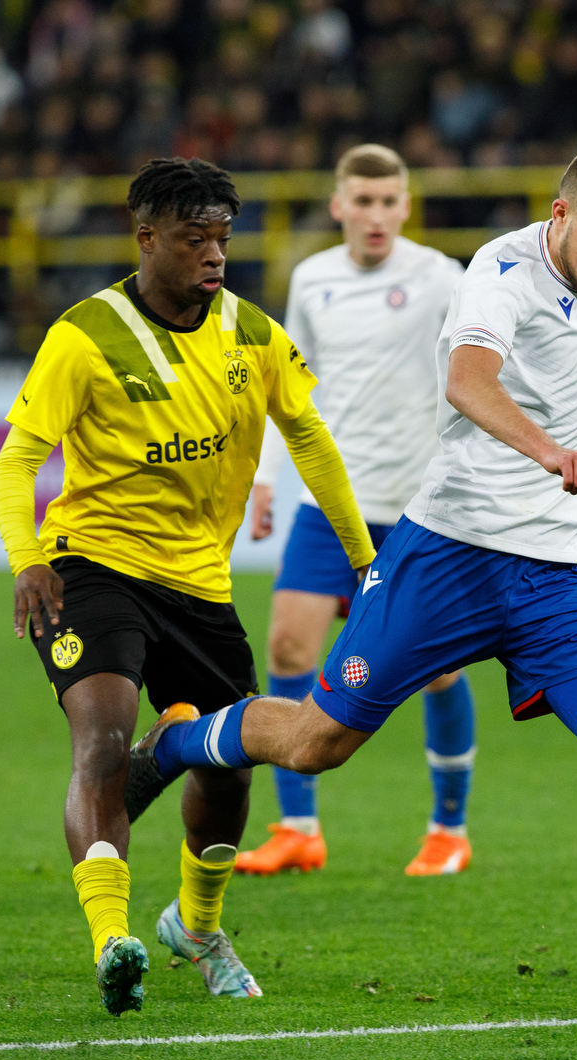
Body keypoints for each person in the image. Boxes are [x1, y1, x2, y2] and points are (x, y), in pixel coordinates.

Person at [122, 145, 577, 1031]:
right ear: (561, 216)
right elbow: (466, 380)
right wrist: (552, 453)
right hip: (447, 555)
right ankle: (180, 741)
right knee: (315, 743)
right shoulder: (499, 270)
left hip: (551, 578)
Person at [0, 158, 374, 1015]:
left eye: (223, 238)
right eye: (195, 238)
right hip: (92, 566)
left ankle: (197, 928)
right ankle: (110, 940)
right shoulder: (85, 335)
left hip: (198, 584)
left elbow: (308, 437)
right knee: (100, 739)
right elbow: (16, 461)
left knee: (231, 771)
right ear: (147, 237)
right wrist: (27, 556)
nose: (214, 254)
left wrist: (363, 557)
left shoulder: (252, 334)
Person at [238, 145, 476, 879]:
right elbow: (287, 390)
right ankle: (298, 826)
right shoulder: (311, 279)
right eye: (361, 201)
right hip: (324, 503)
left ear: (406, 206)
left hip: (417, 509)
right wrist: (267, 478)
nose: (375, 215)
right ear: (338, 205)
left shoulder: (442, 277)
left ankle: (448, 828)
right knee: (286, 650)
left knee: (436, 672)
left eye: (388, 201)